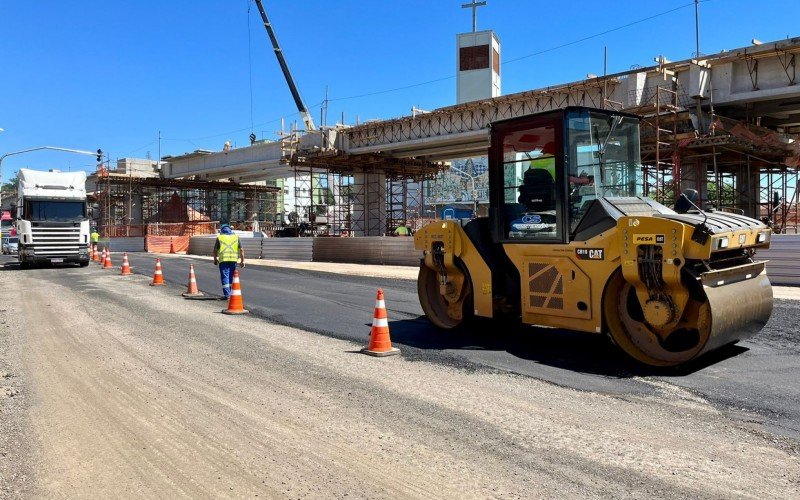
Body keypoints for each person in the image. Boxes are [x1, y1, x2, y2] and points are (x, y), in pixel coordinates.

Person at [212, 224, 245, 299]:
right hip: (233, 260)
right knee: (231, 277)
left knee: (225, 277)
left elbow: (214, 250)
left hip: (223, 260)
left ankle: (227, 295)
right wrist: (242, 261)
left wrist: (215, 259)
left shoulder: (220, 237)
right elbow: (242, 250)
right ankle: (230, 293)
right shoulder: (236, 237)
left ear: (222, 230)